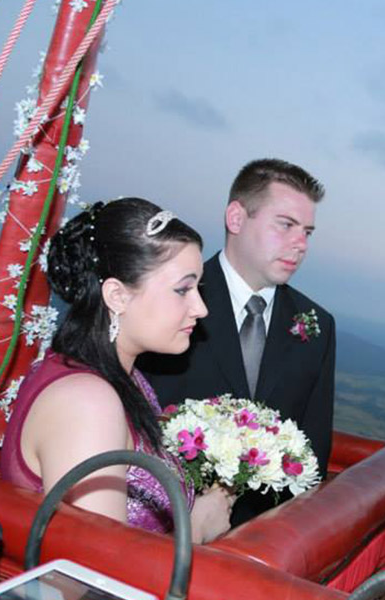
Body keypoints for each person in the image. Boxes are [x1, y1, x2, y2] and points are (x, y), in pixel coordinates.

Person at [1, 198, 234, 544]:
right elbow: (92, 567)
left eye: (197, 289)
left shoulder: (125, 378)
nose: (200, 309)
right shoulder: (85, 402)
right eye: (183, 290)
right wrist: (195, 528)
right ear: (117, 296)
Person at [141, 159, 336, 527]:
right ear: (236, 218)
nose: (300, 245)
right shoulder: (175, 300)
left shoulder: (318, 326)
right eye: (286, 225)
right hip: (166, 524)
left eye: (307, 232)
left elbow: (313, 456)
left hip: (262, 539)